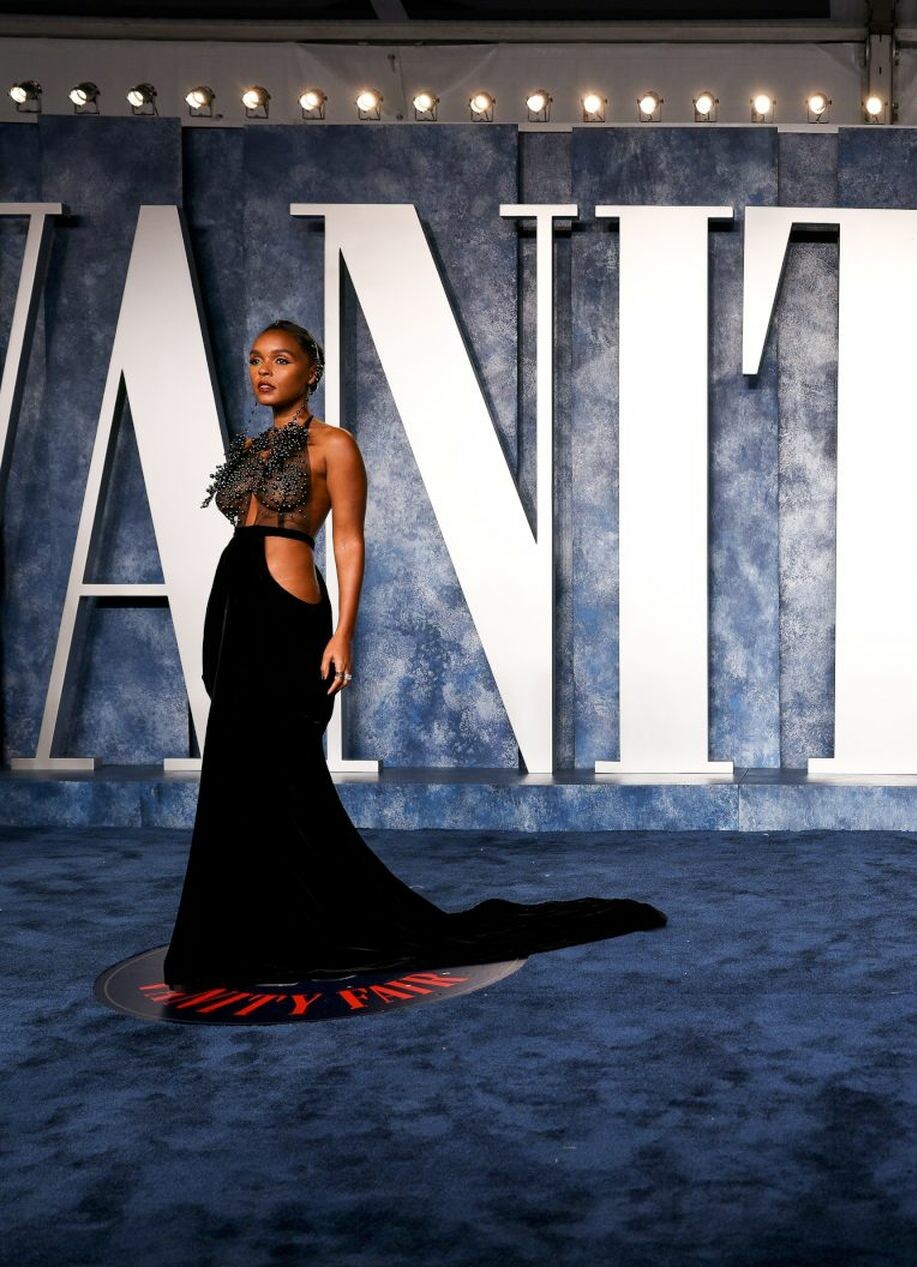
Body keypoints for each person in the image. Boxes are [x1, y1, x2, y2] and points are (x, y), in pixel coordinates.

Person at [164, 321, 665, 988]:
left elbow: (348, 540)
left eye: (281, 360)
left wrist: (343, 632)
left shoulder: (334, 445)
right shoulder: (252, 447)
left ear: (311, 371)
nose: (264, 371)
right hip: (234, 605)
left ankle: (304, 919)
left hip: (286, 610)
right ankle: (239, 927)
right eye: (256, 359)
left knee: (283, 766)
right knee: (235, 766)